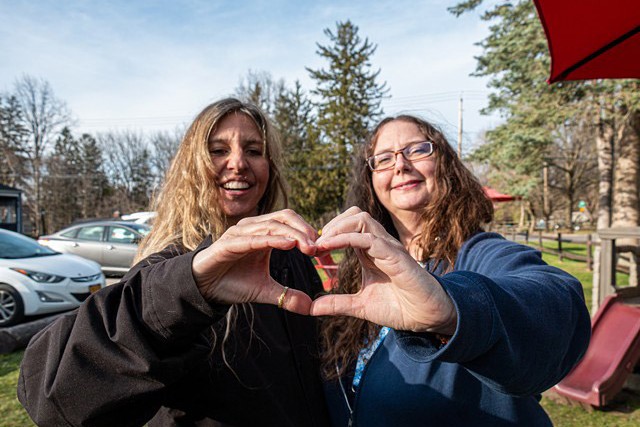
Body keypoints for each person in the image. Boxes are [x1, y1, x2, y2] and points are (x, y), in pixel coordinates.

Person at [18, 98, 331, 426]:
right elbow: (52, 396)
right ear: (191, 167)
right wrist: (191, 289)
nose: (238, 163)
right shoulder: (171, 267)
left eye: (254, 150)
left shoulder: (291, 255)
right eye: (218, 150)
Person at [308, 115, 592, 426]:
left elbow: (557, 305)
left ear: (447, 165)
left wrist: (451, 309)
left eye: (418, 149)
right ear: (370, 181)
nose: (400, 165)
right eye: (384, 158)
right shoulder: (360, 273)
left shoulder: (478, 252)